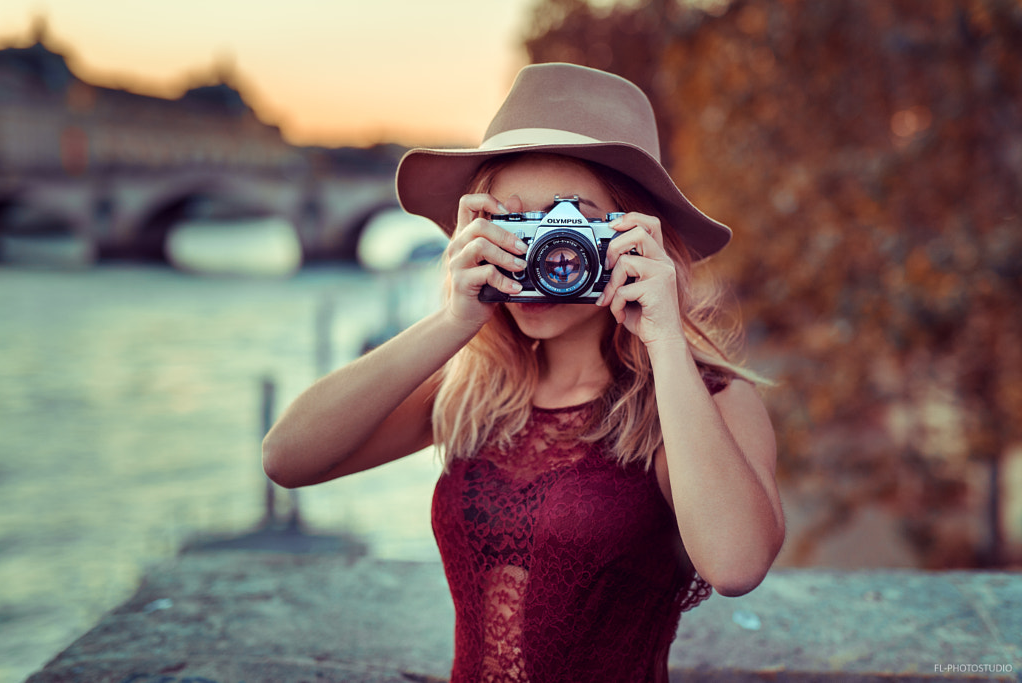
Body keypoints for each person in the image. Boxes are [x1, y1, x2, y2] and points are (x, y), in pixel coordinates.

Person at [263, 62, 784, 682]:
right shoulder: (476, 387)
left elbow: (735, 566)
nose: (542, 251)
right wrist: (453, 321)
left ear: (633, 235)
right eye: (514, 225)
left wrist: (664, 339)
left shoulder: (706, 400)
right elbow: (287, 459)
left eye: (571, 222)